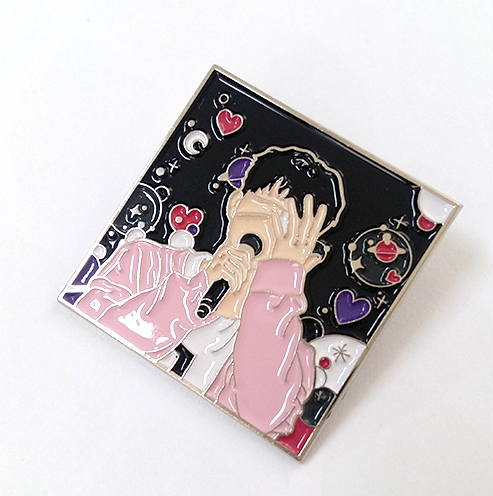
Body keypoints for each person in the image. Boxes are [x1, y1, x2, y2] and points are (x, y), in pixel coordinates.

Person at [76, 146, 346, 439]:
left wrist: (278, 281)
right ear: (234, 204)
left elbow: (258, 418)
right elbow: (89, 330)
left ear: (308, 257)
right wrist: (199, 286)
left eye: (288, 232)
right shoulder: (144, 263)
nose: (269, 233)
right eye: (264, 210)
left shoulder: (290, 357)